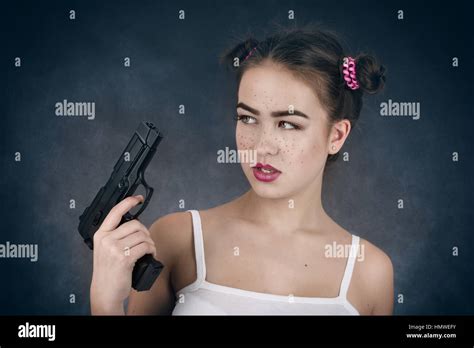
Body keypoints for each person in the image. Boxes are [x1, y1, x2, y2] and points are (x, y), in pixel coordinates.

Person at [90, 24, 394, 315]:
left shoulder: (370, 272)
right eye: (248, 118)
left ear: (336, 136)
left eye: (288, 124)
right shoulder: (177, 240)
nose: (262, 146)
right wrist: (105, 303)